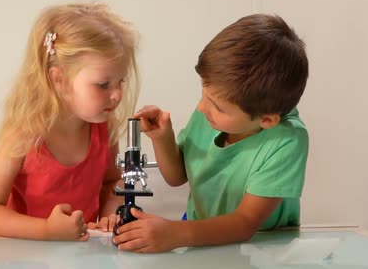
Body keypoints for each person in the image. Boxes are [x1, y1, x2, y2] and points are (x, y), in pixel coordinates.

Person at [113, 14, 309, 252]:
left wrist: (175, 232)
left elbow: (245, 223)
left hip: (263, 250)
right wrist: (162, 138)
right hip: (202, 242)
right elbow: (177, 177)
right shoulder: (210, 116)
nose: (201, 108)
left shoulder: (286, 140)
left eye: (217, 106)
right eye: (203, 94)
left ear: (266, 120)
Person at [0, 3, 139, 241]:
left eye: (120, 81)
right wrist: (47, 231)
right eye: (103, 84)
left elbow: (113, 181)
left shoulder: (103, 127)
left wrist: (109, 213)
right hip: (22, 250)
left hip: (80, 250)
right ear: (59, 79)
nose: (117, 95)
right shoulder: (24, 133)